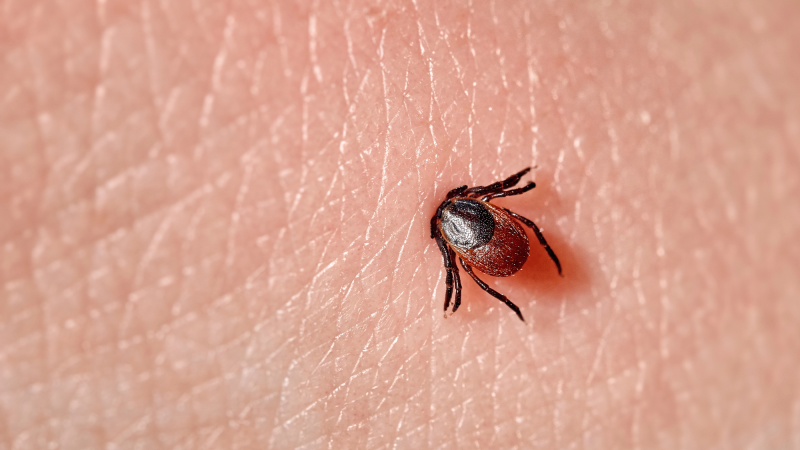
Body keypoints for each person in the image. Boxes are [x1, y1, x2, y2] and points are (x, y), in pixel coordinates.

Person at [1, 1, 797, 447]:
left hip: (500, 260)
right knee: (533, 253)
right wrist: (494, 261)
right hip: (501, 258)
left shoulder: (476, 236)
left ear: (483, 205)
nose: (472, 209)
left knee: (529, 257)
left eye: (477, 205)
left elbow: (495, 235)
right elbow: (509, 221)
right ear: (481, 207)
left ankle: (524, 290)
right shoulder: (489, 226)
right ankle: (525, 289)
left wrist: (487, 275)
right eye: (472, 207)